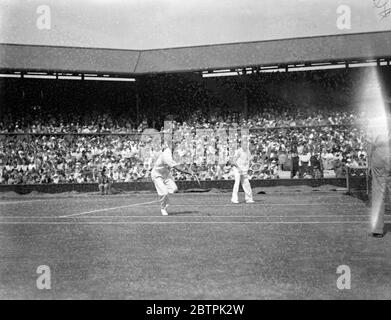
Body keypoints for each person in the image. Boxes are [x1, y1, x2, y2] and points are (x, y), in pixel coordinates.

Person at [151, 143, 195, 216]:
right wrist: (188, 172)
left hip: (166, 175)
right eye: (173, 144)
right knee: (164, 192)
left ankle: (163, 195)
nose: (175, 145)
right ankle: (163, 208)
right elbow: (177, 168)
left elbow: (181, 161)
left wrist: (188, 168)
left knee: (174, 189)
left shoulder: (174, 152)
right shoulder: (166, 155)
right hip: (157, 175)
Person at [367, 117, 391, 237]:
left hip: (379, 154)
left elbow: (370, 145)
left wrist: (368, 163)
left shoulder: (374, 121)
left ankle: (377, 229)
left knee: (378, 192)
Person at [230, 137, 254, 204]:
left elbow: (248, 161)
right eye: (244, 144)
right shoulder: (238, 151)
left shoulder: (248, 151)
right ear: (241, 145)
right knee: (237, 183)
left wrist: (248, 168)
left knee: (247, 184)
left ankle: (249, 199)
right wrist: (239, 169)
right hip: (237, 169)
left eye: (246, 144)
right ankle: (234, 199)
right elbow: (233, 162)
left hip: (244, 170)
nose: (245, 145)